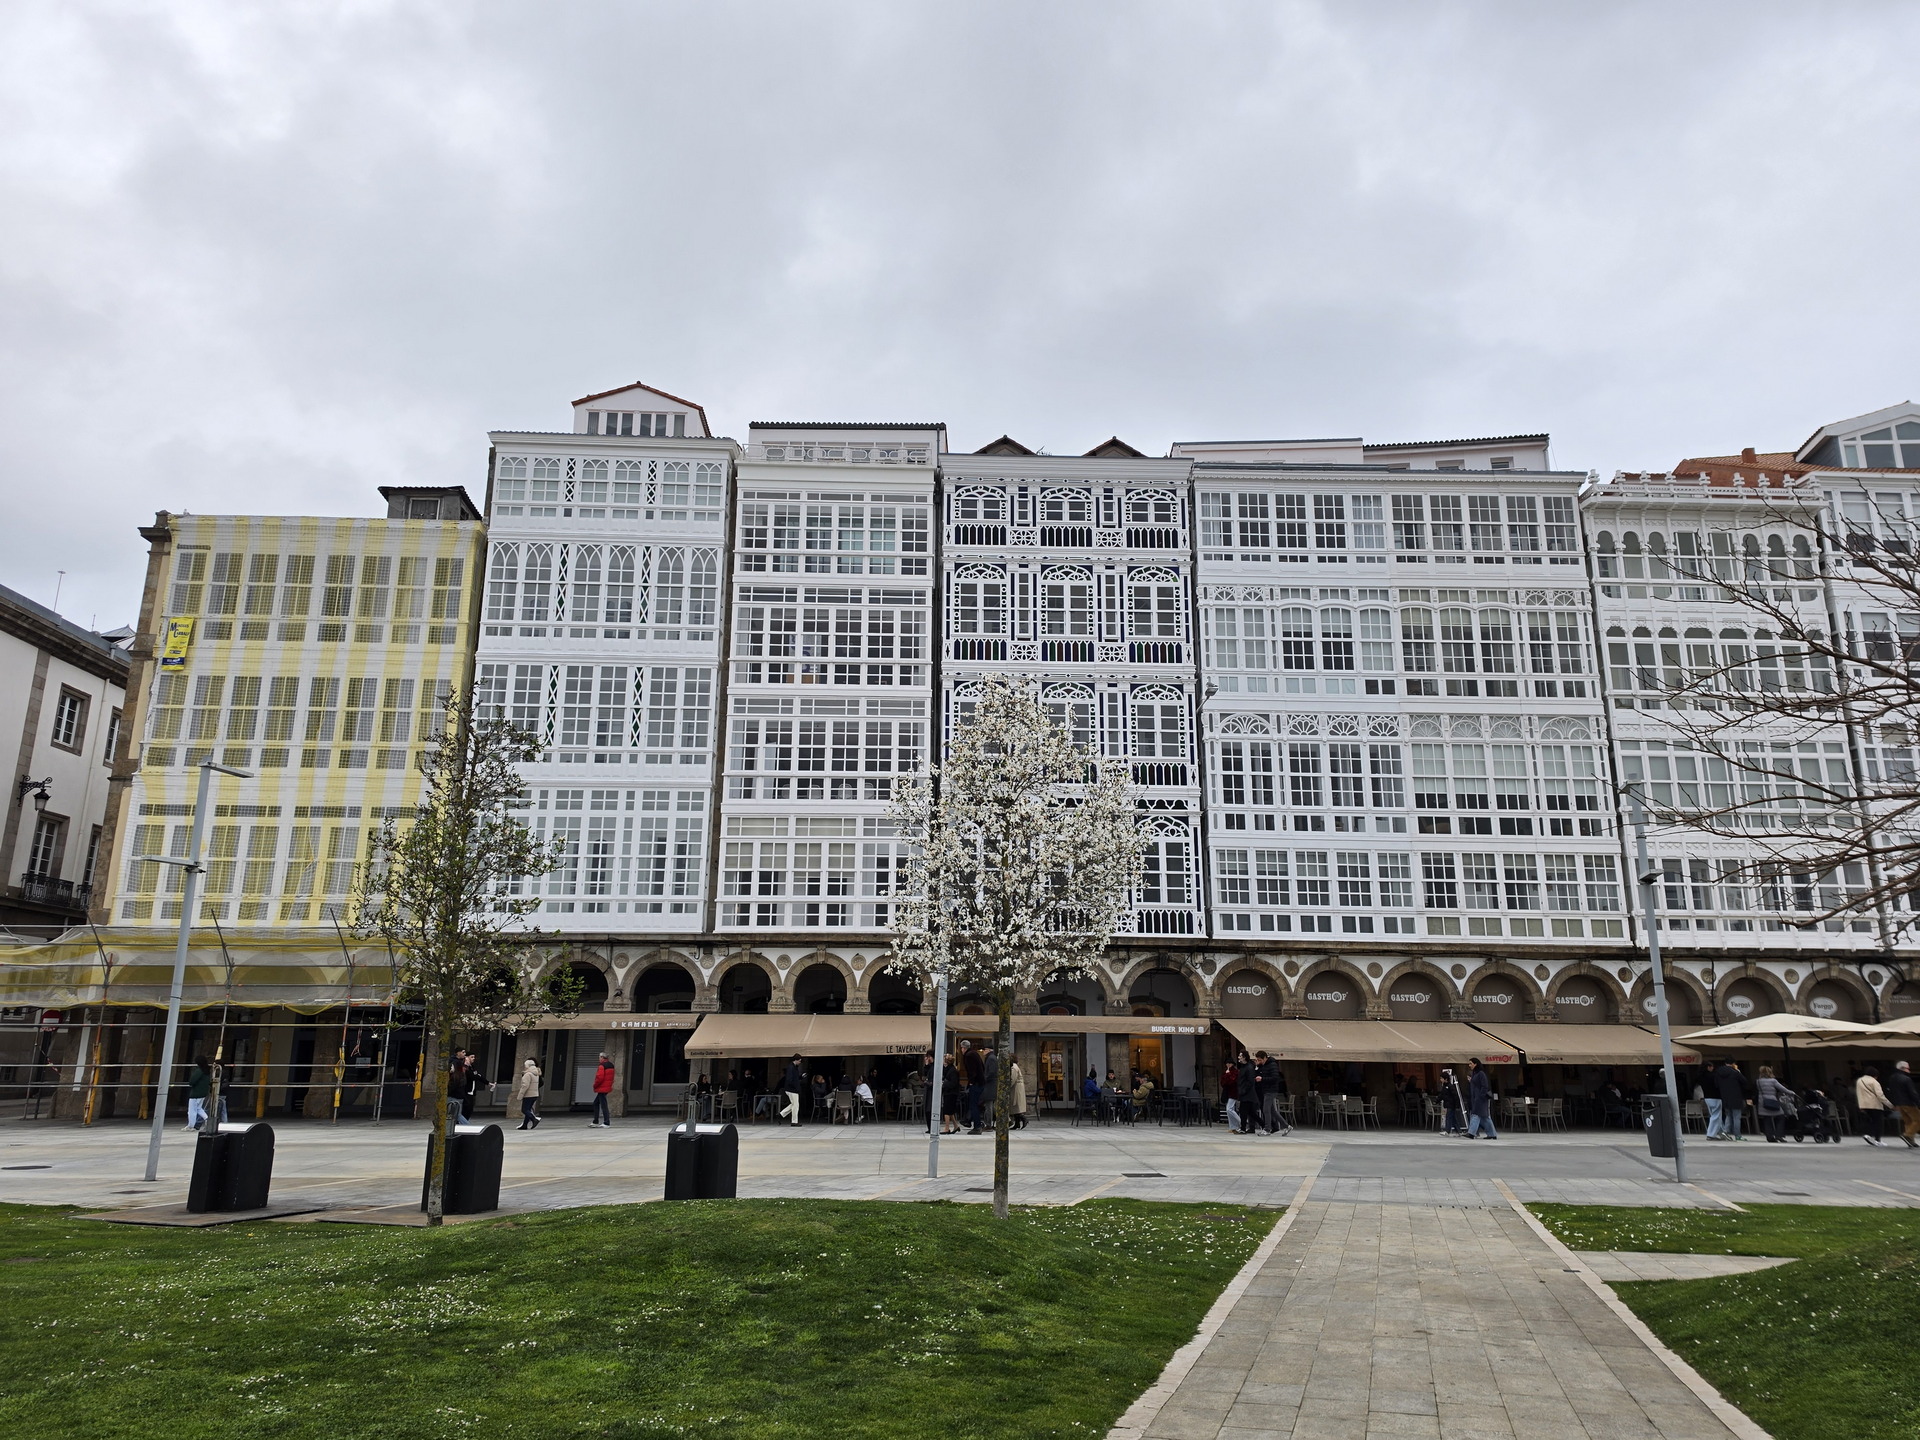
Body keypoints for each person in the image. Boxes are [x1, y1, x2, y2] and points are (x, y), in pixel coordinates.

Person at [1885, 1060, 1920, 1149]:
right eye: (1908, 1068)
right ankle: (1907, 1135)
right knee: (1918, 1120)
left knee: (1908, 1121)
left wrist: (1894, 1103)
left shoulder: (1892, 1078)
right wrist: (1918, 1102)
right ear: (1903, 1068)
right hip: (1909, 1103)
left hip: (1899, 1104)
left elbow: (1890, 1091)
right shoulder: (1906, 1079)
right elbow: (1912, 1092)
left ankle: (1911, 1141)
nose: (1909, 1070)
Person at [1754, 1065, 1793, 1143]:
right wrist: (1791, 1092)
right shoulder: (1773, 1081)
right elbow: (1782, 1089)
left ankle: (1770, 1137)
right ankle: (1779, 1135)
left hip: (1763, 1102)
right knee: (1781, 1116)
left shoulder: (1758, 1081)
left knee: (1767, 1119)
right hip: (1772, 1101)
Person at [1713, 1059, 1749, 1141]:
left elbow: (1716, 1084)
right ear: (1733, 1063)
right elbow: (1744, 1081)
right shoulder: (1735, 1072)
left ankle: (1725, 1132)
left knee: (1728, 1115)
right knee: (1737, 1117)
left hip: (1725, 1097)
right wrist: (1739, 1072)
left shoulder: (1718, 1072)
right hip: (1736, 1097)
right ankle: (1738, 1135)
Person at [1857, 1064, 1892, 1146]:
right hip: (1875, 1105)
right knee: (1878, 1122)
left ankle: (1867, 1134)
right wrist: (1890, 1105)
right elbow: (1880, 1095)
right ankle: (1877, 1140)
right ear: (1875, 1075)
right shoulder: (1874, 1082)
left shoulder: (1859, 1081)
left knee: (1868, 1121)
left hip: (1863, 1104)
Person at [1257, 1051, 1290, 1135]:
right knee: (1272, 1111)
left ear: (1265, 1057)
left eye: (1260, 1060)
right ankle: (1286, 1126)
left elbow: (1275, 1078)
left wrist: (1262, 1079)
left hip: (1271, 1090)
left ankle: (1267, 1129)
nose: (1259, 1061)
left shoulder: (1272, 1065)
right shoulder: (1264, 1065)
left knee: (1266, 1109)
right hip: (1266, 1090)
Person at [1466, 1057, 1498, 1139]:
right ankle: (1492, 1134)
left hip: (1480, 1099)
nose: (1469, 1065)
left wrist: (1481, 1096)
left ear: (1475, 1064)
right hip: (1476, 1098)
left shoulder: (1481, 1074)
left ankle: (1471, 1133)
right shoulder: (1475, 1073)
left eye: (1471, 1063)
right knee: (1485, 1117)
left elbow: (1484, 1086)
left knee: (1475, 1115)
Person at [510, 1057, 543, 1130]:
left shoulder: (527, 1074)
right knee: (528, 1109)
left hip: (528, 1095)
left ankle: (534, 1119)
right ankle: (525, 1125)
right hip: (535, 1094)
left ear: (527, 1066)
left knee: (524, 1110)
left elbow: (525, 1086)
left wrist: (520, 1095)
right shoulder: (536, 1074)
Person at [961, 1041, 985, 1133]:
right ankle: (970, 1121)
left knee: (973, 1104)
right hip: (980, 1083)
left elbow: (972, 1071)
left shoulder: (969, 1055)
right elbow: (982, 1068)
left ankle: (977, 1126)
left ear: (964, 1048)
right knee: (974, 1104)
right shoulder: (975, 1054)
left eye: (961, 1048)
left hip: (976, 1084)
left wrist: (971, 1082)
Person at [185, 1057, 213, 1131]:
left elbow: (192, 1081)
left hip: (196, 1093)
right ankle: (207, 1119)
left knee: (192, 1110)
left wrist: (191, 1083)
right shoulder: (207, 1071)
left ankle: (191, 1126)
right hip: (203, 1093)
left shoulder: (199, 1071)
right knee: (199, 1108)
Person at [589, 1052, 615, 1128]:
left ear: (602, 1057)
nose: (599, 1059)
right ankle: (595, 1121)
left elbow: (599, 1077)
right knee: (596, 1103)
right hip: (606, 1087)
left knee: (603, 1105)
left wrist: (595, 1085)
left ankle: (606, 1122)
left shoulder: (602, 1066)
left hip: (602, 1087)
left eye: (599, 1057)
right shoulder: (611, 1065)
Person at [779, 1054, 804, 1126]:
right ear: (796, 1060)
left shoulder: (792, 1067)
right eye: (799, 1061)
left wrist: (801, 1077)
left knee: (794, 1104)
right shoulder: (791, 1067)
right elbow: (790, 1079)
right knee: (795, 1105)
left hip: (791, 1089)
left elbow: (793, 1078)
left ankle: (781, 1114)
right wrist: (795, 1086)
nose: (800, 1062)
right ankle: (794, 1121)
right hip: (792, 1089)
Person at [943, 1054, 964, 1134]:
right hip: (950, 1092)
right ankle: (955, 1126)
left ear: (946, 1061)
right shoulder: (949, 1069)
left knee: (946, 1111)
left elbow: (953, 1083)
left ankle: (947, 1128)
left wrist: (944, 1084)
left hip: (951, 1093)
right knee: (950, 1111)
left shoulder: (952, 1071)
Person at [1222, 1056, 1242, 1132]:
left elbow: (1232, 1081)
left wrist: (1227, 1075)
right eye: (1227, 1063)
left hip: (1233, 1092)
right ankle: (1233, 1127)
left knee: (1229, 1109)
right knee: (1230, 1109)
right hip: (1228, 1092)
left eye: (1230, 1063)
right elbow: (1223, 1082)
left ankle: (1240, 1121)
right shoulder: (1226, 1072)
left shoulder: (1235, 1072)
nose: (1228, 1065)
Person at [1009, 1058, 1028, 1130]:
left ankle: (1023, 1118)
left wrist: (1007, 1087)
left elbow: (1012, 1079)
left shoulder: (1013, 1067)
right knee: (1016, 1106)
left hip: (1015, 1089)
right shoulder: (1015, 1066)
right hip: (1017, 1088)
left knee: (1015, 1105)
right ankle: (1017, 1124)